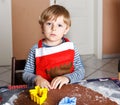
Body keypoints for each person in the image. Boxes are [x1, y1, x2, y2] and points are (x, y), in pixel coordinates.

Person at [23, 4, 85, 90]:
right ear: (42, 27)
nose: (53, 28)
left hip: (68, 90)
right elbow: (26, 74)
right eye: (49, 24)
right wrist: (36, 79)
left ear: (66, 29)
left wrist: (67, 78)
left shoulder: (71, 47)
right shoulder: (36, 49)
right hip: (44, 91)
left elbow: (81, 71)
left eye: (59, 25)